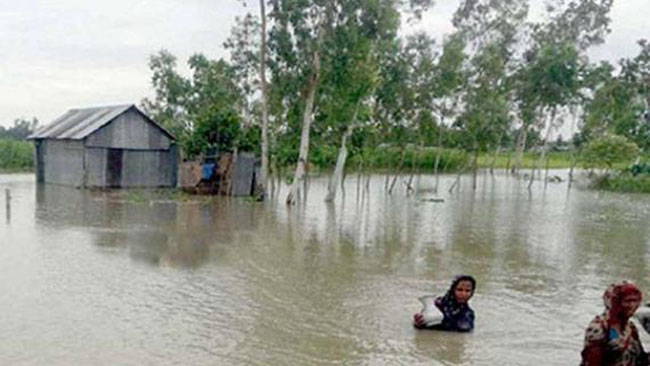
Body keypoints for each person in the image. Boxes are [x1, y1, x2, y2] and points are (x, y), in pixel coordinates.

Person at [581, 281, 649, 366]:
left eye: (635, 301)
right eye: (627, 301)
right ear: (615, 302)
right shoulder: (600, 328)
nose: (632, 305)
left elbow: (640, 361)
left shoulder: (630, 328)